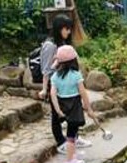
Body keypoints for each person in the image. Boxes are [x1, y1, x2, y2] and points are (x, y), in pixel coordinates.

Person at [38, 15, 91, 155]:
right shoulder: (50, 45)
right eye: (67, 29)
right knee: (57, 115)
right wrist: (44, 89)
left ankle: (74, 138)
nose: (68, 32)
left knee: (74, 113)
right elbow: (46, 70)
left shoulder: (62, 42)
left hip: (68, 83)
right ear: (60, 28)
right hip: (55, 83)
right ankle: (61, 142)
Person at [50, 45, 95, 163]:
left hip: (63, 106)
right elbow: (83, 92)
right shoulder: (76, 75)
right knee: (71, 135)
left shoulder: (55, 76)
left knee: (72, 133)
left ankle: (72, 155)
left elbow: (53, 93)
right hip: (74, 105)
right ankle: (70, 162)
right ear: (73, 61)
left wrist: (58, 110)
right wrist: (88, 108)